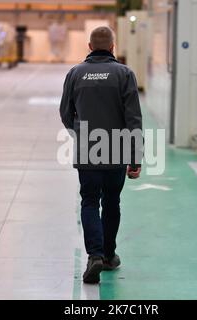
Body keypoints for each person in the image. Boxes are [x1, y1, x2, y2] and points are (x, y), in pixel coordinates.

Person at [59, 26, 143, 284]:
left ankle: (94, 255)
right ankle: (108, 256)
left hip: (88, 150)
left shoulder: (75, 74)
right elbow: (133, 120)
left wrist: (81, 133)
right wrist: (135, 158)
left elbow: (65, 113)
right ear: (113, 47)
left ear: (89, 47)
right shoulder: (124, 74)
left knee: (89, 202)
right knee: (112, 202)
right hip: (116, 149)